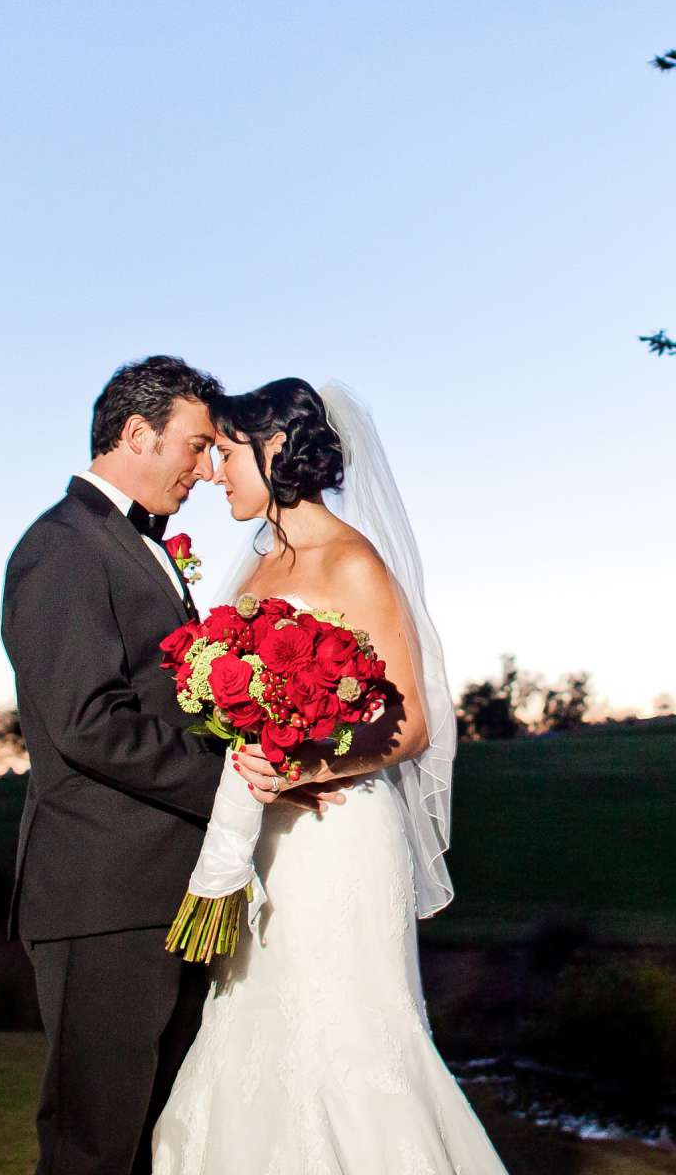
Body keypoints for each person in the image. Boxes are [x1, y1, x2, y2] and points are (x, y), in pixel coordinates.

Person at [151, 378, 505, 1174]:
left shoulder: (352, 563)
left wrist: (305, 761)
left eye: (225, 453)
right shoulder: (253, 569)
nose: (211, 473)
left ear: (275, 451)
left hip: (339, 835)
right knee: (247, 1031)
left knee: (346, 1044)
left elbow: (411, 724)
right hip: (262, 842)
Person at [0, 355, 308, 1175]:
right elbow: (86, 723)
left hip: (161, 888)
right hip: (103, 896)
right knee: (95, 1146)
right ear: (137, 435)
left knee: (156, 1143)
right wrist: (231, 782)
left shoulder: (134, 545)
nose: (208, 470)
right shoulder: (62, 547)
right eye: (196, 447)